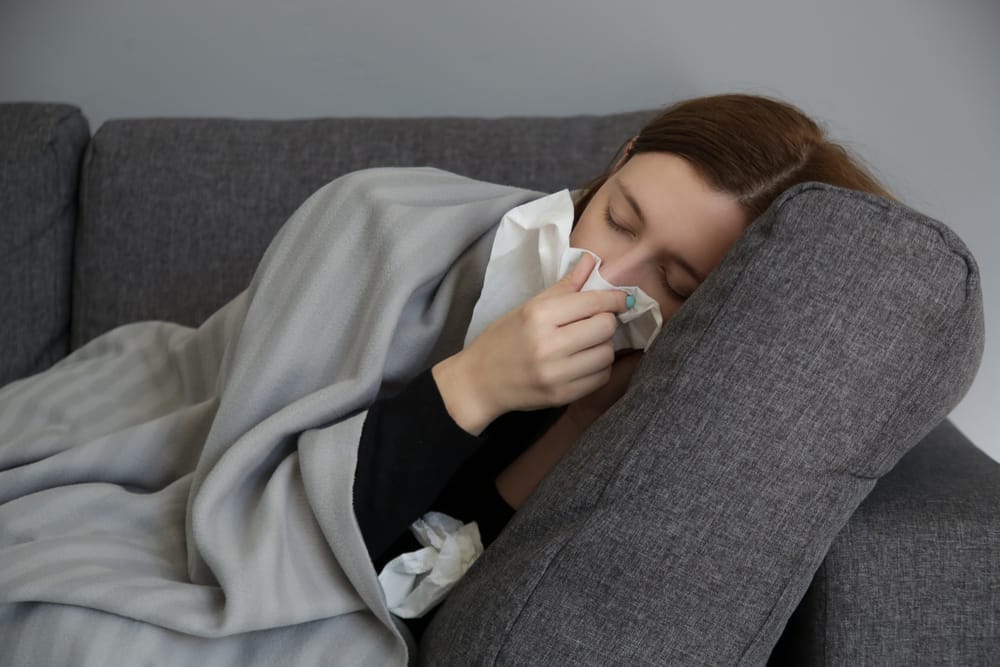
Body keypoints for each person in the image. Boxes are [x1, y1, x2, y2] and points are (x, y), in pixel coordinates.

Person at [351, 93, 895, 639]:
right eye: (618, 219)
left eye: (677, 283)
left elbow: (416, 582)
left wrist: (577, 424)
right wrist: (475, 383)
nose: (605, 273)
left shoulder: (658, 394)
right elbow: (285, 539)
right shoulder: (390, 221)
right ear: (621, 161)